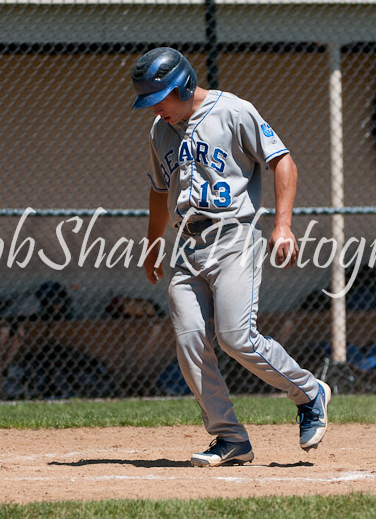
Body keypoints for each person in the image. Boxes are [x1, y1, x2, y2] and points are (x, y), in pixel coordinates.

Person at [131, 47, 331, 467]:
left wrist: (282, 225)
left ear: (184, 86)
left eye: (159, 99)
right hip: (187, 245)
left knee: (236, 338)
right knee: (190, 342)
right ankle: (230, 438)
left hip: (233, 238)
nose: (154, 109)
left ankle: (309, 392)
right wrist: (152, 244)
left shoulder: (234, 111)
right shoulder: (159, 131)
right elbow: (158, 191)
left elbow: (283, 162)